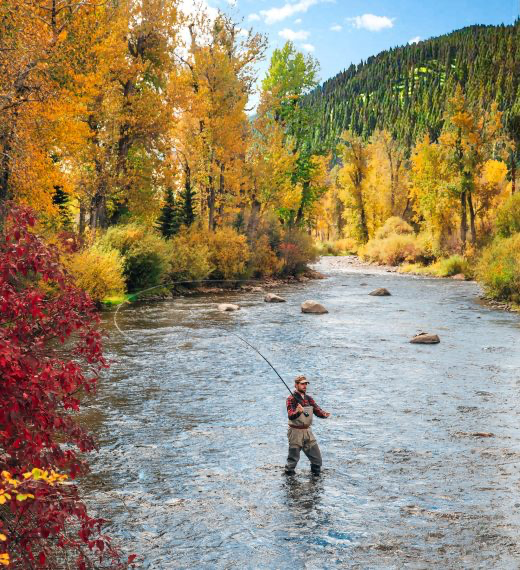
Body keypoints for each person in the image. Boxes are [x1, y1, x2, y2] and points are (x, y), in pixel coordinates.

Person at [285, 375, 330, 476]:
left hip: (307, 431)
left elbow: (317, 409)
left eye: (306, 384)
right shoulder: (291, 399)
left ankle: (315, 481)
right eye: (302, 384)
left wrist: (324, 414)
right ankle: (289, 480)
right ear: (296, 385)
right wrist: (297, 411)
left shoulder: (309, 399)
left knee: (317, 459)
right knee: (292, 461)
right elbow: (290, 415)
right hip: (295, 432)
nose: (305, 386)